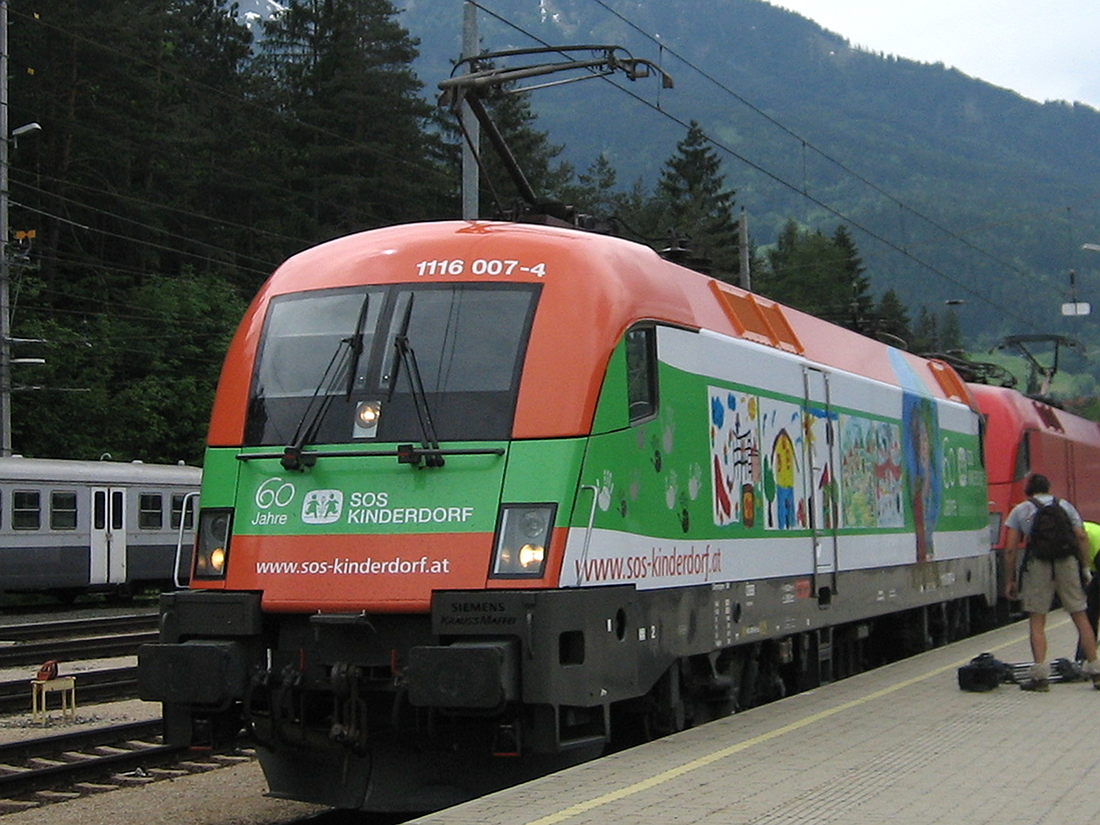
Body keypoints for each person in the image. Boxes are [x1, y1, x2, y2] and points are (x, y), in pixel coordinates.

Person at [1004, 474, 1100, 691]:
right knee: (1080, 615)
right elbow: (1081, 536)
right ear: (1048, 488)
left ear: (1028, 491)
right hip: (1066, 562)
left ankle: (1040, 677)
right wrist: (1085, 568)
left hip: (1038, 563)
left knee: (1037, 620)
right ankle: (1096, 671)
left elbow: (1010, 549)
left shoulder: (1021, 510)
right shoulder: (1064, 506)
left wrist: (1010, 580)